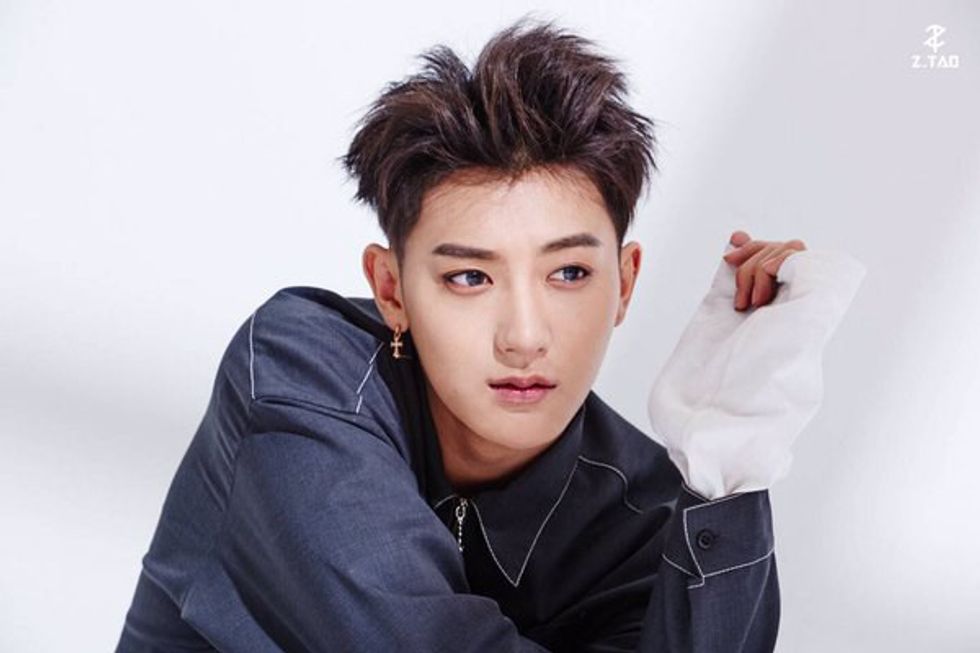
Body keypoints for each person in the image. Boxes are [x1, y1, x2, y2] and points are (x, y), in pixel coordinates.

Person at [115, 17, 854, 652]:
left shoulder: (647, 517)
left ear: (624, 283)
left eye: (569, 273)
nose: (524, 337)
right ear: (392, 290)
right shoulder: (301, 377)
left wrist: (727, 469)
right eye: (470, 277)